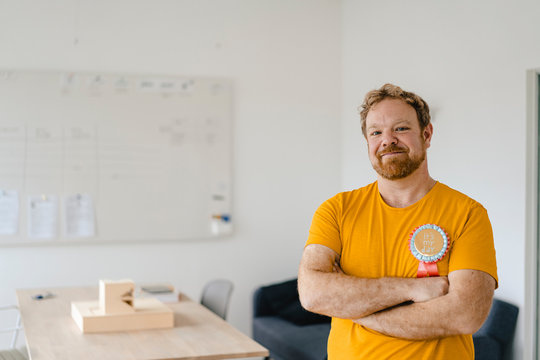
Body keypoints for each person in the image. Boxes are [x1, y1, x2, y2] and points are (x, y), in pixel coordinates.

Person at [297, 83, 498, 360]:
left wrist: (359, 312)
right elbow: (312, 294)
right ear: (368, 142)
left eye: (401, 128)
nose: (387, 140)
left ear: (426, 134)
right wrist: (412, 289)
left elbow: (465, 315)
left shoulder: (468, 213)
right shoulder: (336, 210)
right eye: (376, 132)